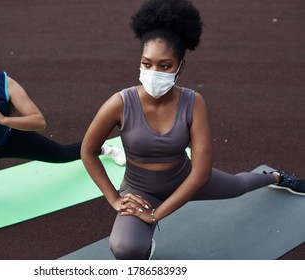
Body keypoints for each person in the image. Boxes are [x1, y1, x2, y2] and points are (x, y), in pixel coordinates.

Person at [80, 0, 305, 260]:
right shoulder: (119, 103)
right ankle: (144, 246)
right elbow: (88, 150)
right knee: (125, 249)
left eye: (164, 65)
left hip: (187, 179)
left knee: (239, 184)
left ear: (180, 66)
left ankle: (275, 177)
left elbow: (201, 173)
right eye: (146, 63)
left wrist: (155, 214)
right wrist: (115, 199)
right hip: (140, 191)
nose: (153, 72)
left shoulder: (193, 102)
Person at [0, 22, 126, 217]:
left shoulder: (6, 83)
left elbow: (39, 121)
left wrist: (3, 120)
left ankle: (103, 149)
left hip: (9, 139)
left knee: (62, 154)